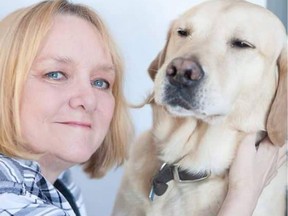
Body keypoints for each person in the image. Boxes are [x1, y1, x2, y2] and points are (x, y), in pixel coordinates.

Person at [0, 0, 286, 216]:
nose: (85, 99)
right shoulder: (10, 199)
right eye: (55, 74)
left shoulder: (55, 181)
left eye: (101, 82)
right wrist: (242, 197)